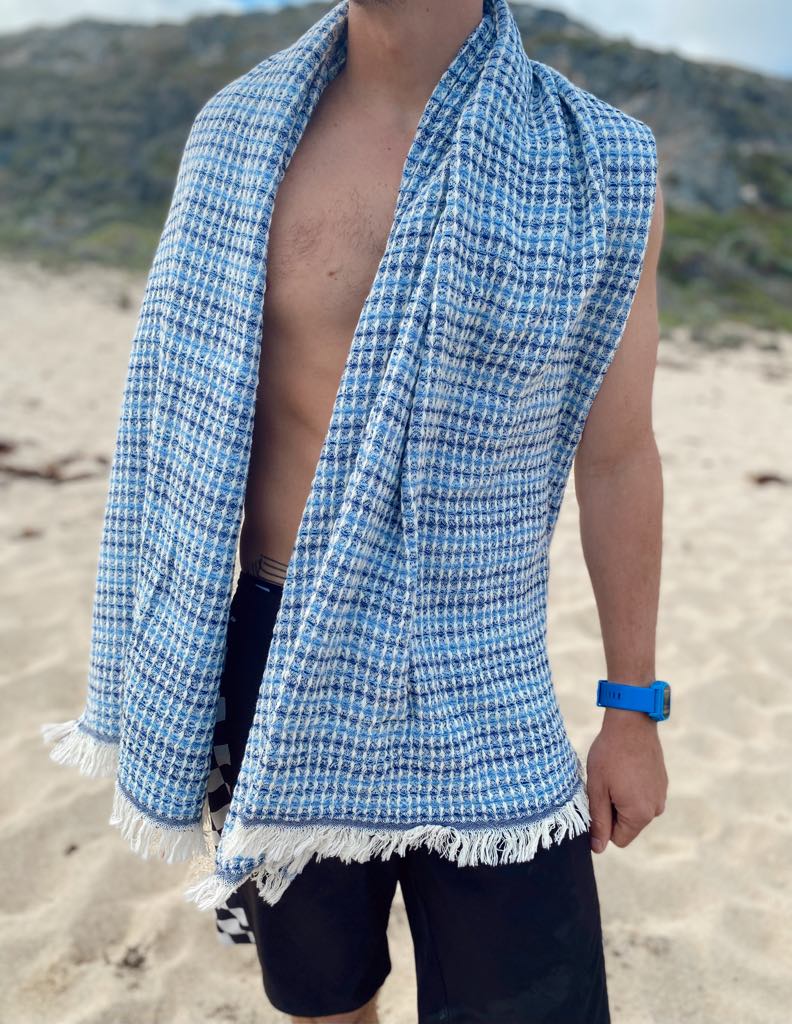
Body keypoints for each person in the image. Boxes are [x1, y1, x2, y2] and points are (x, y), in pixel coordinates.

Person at [205, 1, 668, 1022]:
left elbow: (619, 454)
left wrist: (632, 707)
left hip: (483, 658)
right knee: (326, 998)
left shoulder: (603, 165)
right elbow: (185, 411)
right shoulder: (240, 135)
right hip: (280, 645)